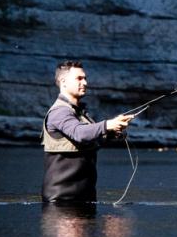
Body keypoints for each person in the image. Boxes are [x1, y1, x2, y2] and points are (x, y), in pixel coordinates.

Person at [41, 59, 136, 204]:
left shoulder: (81, 115)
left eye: (85, 78)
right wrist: (108, 124)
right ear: (63, 81)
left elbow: (89, 137)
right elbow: (79, 133)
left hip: (85, 200)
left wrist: (114, 131)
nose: (85, 83)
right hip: (61, 202)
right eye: (79, 78)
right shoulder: (59, 112)